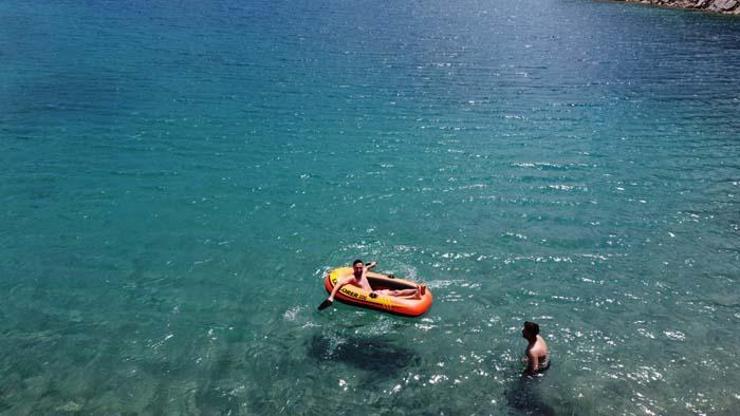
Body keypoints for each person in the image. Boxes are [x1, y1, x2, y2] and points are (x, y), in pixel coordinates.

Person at [325, 259, 425, 305]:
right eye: (357, 268)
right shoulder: (352, 278)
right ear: (353, 268)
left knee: (396, 292)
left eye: (360, 268)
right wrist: (331, 297)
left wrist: (372, 264)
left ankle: (416, 290)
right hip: (372, 297)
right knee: (393, 296)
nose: (359, 270)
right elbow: (339, 283)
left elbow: (367, 267)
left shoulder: (363, 272)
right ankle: (414, 296)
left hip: (376, 293)